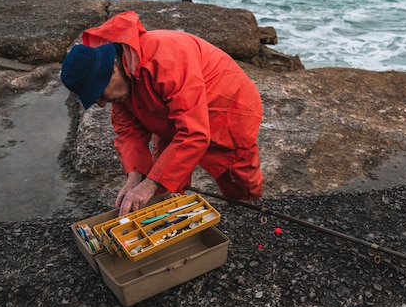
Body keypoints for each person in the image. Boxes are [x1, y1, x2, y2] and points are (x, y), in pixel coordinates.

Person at [61, 11, 263, 216]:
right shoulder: (119, 77)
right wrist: (134, 177)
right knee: (161, 183)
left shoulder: (166, 61)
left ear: (112, 70)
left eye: (100, 95)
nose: (103, 105)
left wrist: (148, 185)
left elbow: (193, 134)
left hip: (226, 109)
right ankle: (173, 218)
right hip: (171, 117)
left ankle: (249, 216)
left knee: (238, 177)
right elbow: (128, 131)